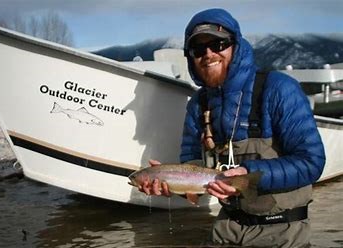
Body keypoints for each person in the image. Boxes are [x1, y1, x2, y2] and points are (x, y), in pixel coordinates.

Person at [138, 8, 325, 248]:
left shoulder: (279, 88)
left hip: (282, 233)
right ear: (190, 58)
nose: (208, 54)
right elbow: (193, 165)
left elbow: (312, 162)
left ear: (236, 46)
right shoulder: (198, 104)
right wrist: (170, 182)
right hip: (227, 228)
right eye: (198, 49)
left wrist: (248, 174)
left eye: (218, 44)